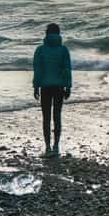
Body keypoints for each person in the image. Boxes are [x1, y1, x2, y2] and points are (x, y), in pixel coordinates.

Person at [32, 22, 72, 158]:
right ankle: (56, 146)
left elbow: (38, 70)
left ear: (46, 34)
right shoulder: (64, 50)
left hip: (45, 87)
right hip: (59, 86)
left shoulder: (40, 50)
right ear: (59, 34)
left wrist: (36, 86)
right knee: (57, 116)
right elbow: (67, 69)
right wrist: (68, 86)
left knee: (46, 118)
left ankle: (48, 147)